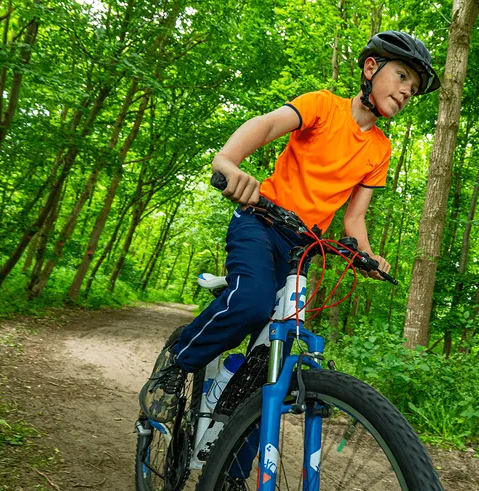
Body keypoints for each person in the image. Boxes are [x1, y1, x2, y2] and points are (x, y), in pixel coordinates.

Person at [140, 30, 440, 424]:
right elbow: (266, 126)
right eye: (402, 76)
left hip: (302, 252)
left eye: (414, 88)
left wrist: (365, 255)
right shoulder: (322, 106)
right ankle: (178, 364)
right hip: (261, 222)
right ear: (371, 67)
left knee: (271, 363)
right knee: (252, 302)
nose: (406, 92)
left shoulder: (380, 149)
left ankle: (230, 474)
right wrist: (227, 162)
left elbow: (354, 218)